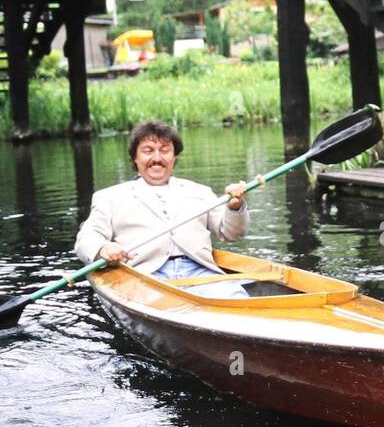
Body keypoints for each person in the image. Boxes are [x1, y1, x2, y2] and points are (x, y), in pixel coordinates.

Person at [74, 119, 251, 298]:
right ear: (135, 158)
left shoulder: (200, 191)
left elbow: (232, 234)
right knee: (164, 308)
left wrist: (234, 208)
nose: (157, 158)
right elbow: (86, 238)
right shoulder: (110, 197)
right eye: (148, 151)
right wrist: (103, 248)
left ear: (174, 157)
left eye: (165, 151)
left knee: (238, 299)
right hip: (143, 277)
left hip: (201, 273)